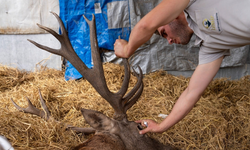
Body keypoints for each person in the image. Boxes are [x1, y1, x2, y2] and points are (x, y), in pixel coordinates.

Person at [113, 0, 250, 134]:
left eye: (164, 33)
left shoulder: (192, 3)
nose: (169, 41)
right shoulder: (211, 45)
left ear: (171, 15)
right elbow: (191, 92)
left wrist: (127, 50)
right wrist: (161, 127)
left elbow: (146, 25)